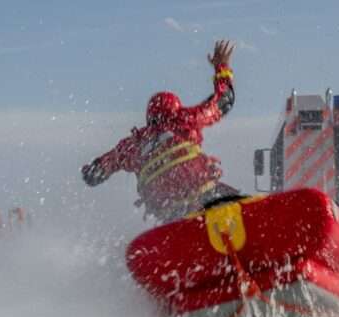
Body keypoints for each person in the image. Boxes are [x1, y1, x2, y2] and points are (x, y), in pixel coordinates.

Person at [81, 40, 239, 223]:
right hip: (208, 196)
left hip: (171, 214)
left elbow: (99, 170)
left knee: (174, 219)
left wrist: (93, 171)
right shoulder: (184, 119)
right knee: (232, 204)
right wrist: (222, 67)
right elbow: (224, 101)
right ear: (176, 108)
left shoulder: (133, 145)